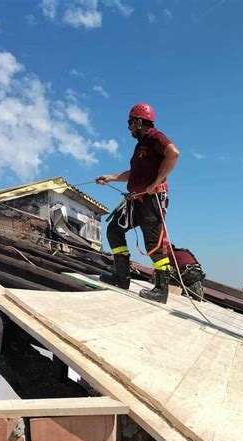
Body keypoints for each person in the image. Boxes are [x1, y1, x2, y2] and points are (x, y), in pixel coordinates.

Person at [96, 103, 180, 304]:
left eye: (130, 122)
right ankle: (122, 277)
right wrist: (111, 177)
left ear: (139, 121)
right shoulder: (140, 145)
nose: (128, 127)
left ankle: (161, 290)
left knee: (153, 243)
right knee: (114, 230)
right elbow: (133, 174)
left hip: (152, 199)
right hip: (137, 200)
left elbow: (174, 153)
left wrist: (157, 182)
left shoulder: (155, 137)